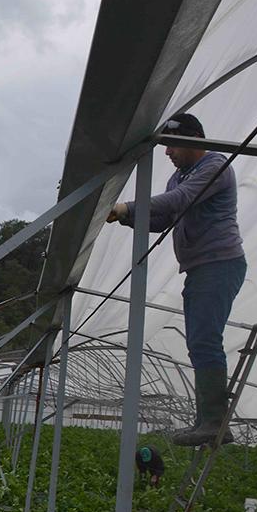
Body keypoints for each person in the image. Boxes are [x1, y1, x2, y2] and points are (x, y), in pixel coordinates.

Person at [106, 113, 247, 447]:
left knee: (205, 339)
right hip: (199, 267)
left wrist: (126, 206)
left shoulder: (215, 166)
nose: (167, 152)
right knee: (199, 340)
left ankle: (214, 422)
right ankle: (207, 420)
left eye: (171, 145)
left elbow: (181, 201)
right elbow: (166, 219)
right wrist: (125, 219)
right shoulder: (179, 178)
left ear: (194, 140)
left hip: (220, 262)